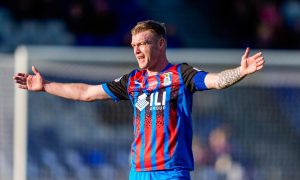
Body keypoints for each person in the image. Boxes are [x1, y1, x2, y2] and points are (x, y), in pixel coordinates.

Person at [13, 20, 264, 180]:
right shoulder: (132, 81)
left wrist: (240, 72)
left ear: (161, 44)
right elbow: (86, 93)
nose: (136, 50)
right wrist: (45, 86)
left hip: (171, 173)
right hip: (139, 173)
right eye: (133, 44)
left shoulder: (181, 75)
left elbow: (216, 81)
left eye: (143, 43)